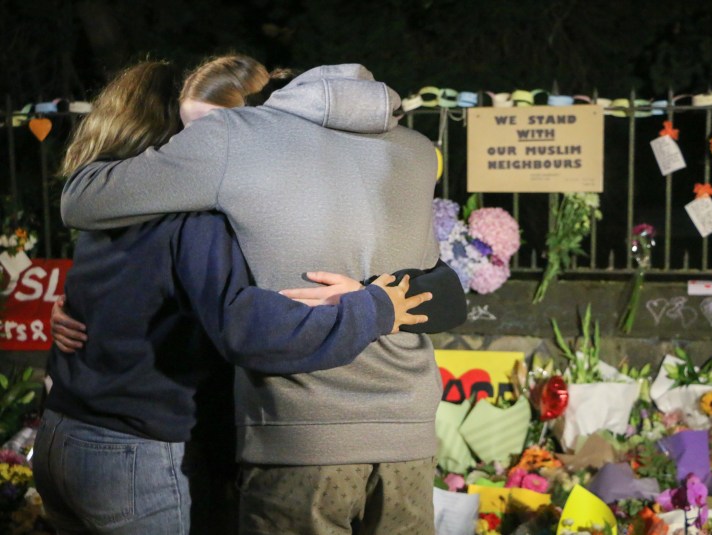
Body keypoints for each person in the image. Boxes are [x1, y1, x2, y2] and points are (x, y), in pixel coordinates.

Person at [33, 59, 437, 535]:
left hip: (77, 431)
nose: (195, 147)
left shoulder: (148, 207)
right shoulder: (410, 154)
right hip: (144, 445)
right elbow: (247, 328)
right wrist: (376, 307)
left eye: (205, 130)